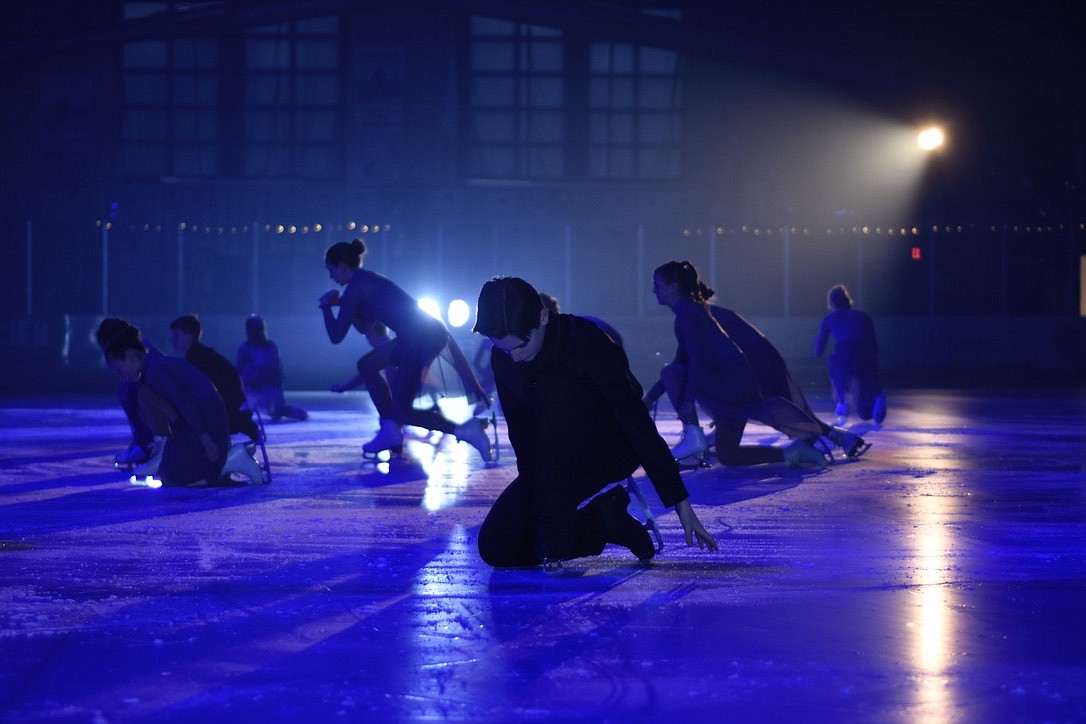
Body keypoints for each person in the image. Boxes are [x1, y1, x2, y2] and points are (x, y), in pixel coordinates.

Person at [472, 276, 718, 567]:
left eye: (521, 346)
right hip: (551, 462)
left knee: (552, 388)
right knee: (496, 547)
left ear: (543, 316)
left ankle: (560, 535)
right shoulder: (505, 358)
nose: (515, 357)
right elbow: (521, 431)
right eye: (504, 349)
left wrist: (680, 502)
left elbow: (634, 419)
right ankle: (605, 521)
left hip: (608, 450)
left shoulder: (585, 341)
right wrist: (534, 496)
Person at [645, 266, 868, 463]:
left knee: (673, 373)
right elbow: (685, 360)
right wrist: (649, 399)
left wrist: (687, 403)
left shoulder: (691, 314)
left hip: (736, 382)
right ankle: (793, 452)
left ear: (674, 286)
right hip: (739, 381)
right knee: (728, 455)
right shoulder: (698, 312)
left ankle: (694, 435)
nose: (654, 290)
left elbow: (691, 363)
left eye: (657, 285)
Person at [320, 238, 491, 460]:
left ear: (342, 266)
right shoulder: (365, 282)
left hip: (420, 337)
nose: (331, 277)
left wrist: (325, 307)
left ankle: (466, 430)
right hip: (418, 335)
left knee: (403, 410)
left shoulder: (357, 287)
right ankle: (390, 429)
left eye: (331, 270)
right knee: (366, 365)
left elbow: (335, 336)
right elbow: (364, 327)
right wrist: (343, 306)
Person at [101, 320, 234, 487]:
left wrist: (207, 440)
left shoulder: (154, 372)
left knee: (172, 476)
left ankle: (226, 464)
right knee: (166, 473)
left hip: (206, 418)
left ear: (129, 357)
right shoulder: (152, 366)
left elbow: (185, 403)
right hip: (200, 417)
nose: (121, 375)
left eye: (120, 369)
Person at [170, 314, 261, 441]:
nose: (173, 340)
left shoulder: (197, 358)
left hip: (228, 410)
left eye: (176, 335)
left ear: (189, 336)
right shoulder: (201, 354)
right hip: (232, 407)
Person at [814, 284, 887, 424]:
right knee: (865, 413)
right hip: (866, 353)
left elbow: (818, 351)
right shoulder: (863, 316)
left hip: (844, 353)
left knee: (834, 361)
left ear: (831, 302)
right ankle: (877, 396)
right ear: (847, 300)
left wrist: (817, 345)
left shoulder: (829, 319)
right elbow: (874, 346)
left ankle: (842, 402)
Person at [96, 317, 158, 469]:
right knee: (126, 389)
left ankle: (147, 445)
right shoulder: (137, 350)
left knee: (128, 390)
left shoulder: (138, 353)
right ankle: (144, 443)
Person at [237, 314, 308, 422]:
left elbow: (276, 369)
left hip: (269, 386)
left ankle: (287, 410)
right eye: (252, 329)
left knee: (276, 412)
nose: (254, 331)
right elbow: (240, 369)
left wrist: (272, 384)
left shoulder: (270, 347)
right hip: (252, 387)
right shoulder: (245, 348)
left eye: (257, 328)